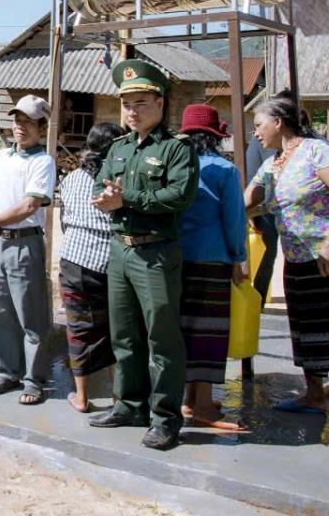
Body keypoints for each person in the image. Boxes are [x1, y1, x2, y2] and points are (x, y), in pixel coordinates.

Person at [88, 60, 199, 452]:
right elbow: (104, 183)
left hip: (155, 253)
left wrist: (127, 198)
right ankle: (129, 405)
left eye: (140, 103)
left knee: (162, 339)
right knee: (123, 335)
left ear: (159, 102)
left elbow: (180, 196)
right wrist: (105, 199)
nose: (132, 112)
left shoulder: (176, 148)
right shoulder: (118, 147)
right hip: (120, 249)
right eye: (127, 105)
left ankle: (166, 419)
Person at [245, 92, 329, 443]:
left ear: (278, 122)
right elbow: (248, 199)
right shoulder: (273, 163)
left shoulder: (319, 152)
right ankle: (313, 395)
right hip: (297, 259)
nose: (256, 134)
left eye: (258, 125)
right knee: (306, 330)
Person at [0, 95, 57, 406]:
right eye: (17, 120)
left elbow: (29, 205)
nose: (20, 127)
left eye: (27, 121)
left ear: (41, 127)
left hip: (24, 243)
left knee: (31, 316)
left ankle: (33, 380)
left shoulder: (43, 161)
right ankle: (7, 371)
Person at [177, 104, 246, 430]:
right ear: (216, 137)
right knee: (208, 334)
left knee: (184, 331)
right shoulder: (224, 170)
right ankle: (203, 404)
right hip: (212, 259)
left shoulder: (175, 166)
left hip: (177, 260)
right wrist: (238, 258)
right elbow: (234, 220)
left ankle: (188, 399)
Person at [57, 121, 125, 414]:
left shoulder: (71, 179)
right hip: (112, 262)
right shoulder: (119, 183)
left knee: (80, 329)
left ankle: (82, 398)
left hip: (75, 262)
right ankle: (118, 397)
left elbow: (64, 219)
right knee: (116, 330)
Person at [246, 131, 278, 304]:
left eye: (259, 126)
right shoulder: (258, 144)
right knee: (269, 252)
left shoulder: (313, 146)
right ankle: (259, 295)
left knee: (269, 253)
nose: (258, 132)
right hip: (266, 209)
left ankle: (259, 297)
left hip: (271, 209)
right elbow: (252, 177)